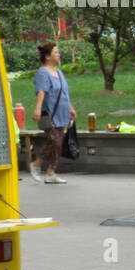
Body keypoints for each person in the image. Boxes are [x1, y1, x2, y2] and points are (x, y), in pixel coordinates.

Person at [30, 42, 76, 185]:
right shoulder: (43, 73)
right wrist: (38, 109)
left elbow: (64, 92)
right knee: (55, 141)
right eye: (56, 52)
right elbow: (41, 92)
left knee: (58, 143)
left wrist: (70, 108)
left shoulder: (59, 72)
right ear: (48, 56)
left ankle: (51, 172)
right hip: (50, 113)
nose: (59, 54)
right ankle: (36, 164)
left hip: (62, 113)